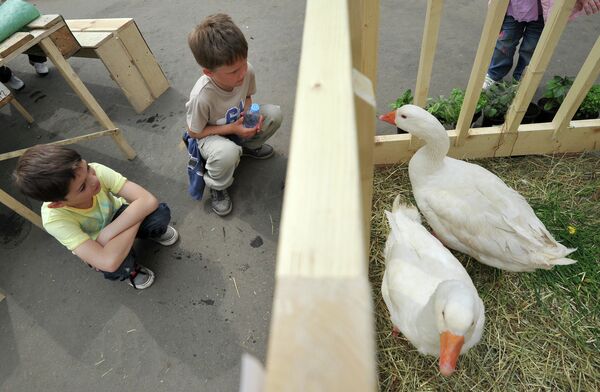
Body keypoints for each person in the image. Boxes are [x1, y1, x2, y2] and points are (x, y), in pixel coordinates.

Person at [13, 145, 179, 290]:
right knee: (115, 267)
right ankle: (131, 270)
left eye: (88, 168)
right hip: (99, 243)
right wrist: (138, 215)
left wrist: (108, 232)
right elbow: (107, 261)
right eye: (83, 187)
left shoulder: (95, 171)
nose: (94, 179)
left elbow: (150, 201)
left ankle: (149, 232)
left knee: (159, 214)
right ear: (58, 204)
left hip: (109, 229)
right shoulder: (54, 220)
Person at [184, 13, 282, 216]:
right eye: (233, 71)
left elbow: (247, 97)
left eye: (244, 63)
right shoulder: (201, 97)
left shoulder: (247, 71)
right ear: (208, 73)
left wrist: (248, 113)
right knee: (226, 153)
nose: (242, 74)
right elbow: (194, 132)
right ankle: (218, 186)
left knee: (274, 114)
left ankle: (247, 146)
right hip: (209, 135)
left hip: (235, 123)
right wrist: (231, 128)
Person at [483, 0, 599, 89]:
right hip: (513, 7)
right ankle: (495, 74)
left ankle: (521, 80)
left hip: (544, 11)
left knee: (532, 48)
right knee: (504, 44)